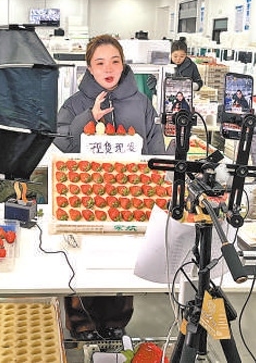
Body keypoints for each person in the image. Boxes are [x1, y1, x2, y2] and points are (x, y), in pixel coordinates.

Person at [54, 34, 165, 341]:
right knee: (83, 259)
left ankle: (116, 320)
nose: (108, 68)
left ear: (123, 64)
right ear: (89, 68)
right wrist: (88, 117)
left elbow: (155, 146)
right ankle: (81, 320)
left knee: (123, 259)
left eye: (115, 61)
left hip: (129, 196)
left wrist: (161, 178)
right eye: (100, 62)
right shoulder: (75, 103)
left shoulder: (141, 103)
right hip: (84, 196)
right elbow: (61, 144)